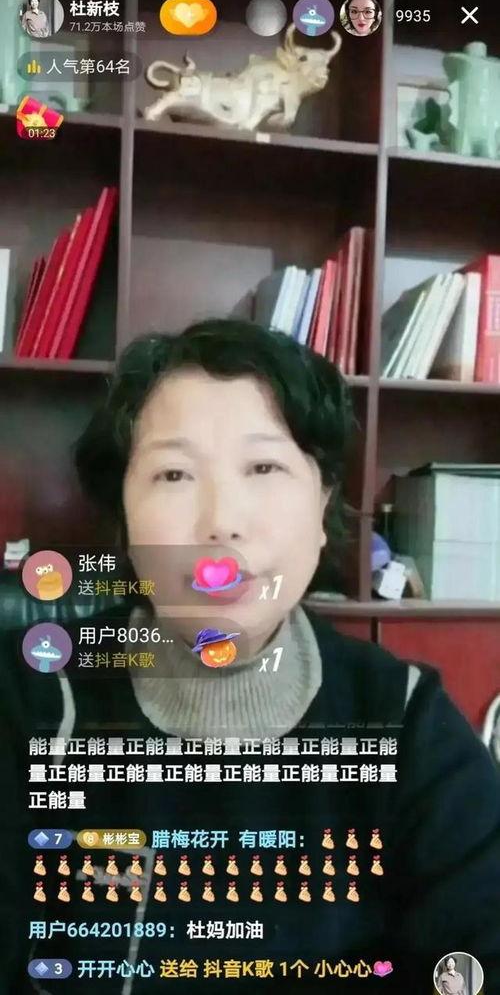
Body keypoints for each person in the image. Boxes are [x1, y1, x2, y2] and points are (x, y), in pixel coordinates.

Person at [1, 319, 500, 994]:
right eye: (174, 473)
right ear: (125, 519)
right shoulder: (29, 698)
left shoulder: (406, 720)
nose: (222, 521)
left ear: (322, 504)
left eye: (264, 467)